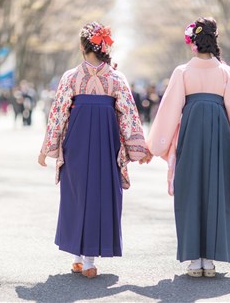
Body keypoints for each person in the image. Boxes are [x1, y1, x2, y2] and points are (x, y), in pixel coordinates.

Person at [38, 22, 151, 278]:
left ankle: (84, 258)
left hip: (76, 141)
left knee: (77, 194)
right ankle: (84, 259)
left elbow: (57, 115)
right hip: (105, 141)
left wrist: (47, 149)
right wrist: (139, 148)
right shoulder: (116, 78)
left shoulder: (71, 77)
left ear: (82, 47)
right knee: (98, 195)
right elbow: (129, 116)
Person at [147, 17, 230, 278]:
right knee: (217, 192)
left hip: (191, 133)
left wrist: (157, 143)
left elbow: (170, 110)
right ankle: (210, 259)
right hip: (219, 134)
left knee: (190, 190)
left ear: (193, 43)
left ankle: (194, 259)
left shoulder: (182, 72)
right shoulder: (226, 72)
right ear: (214, 40)